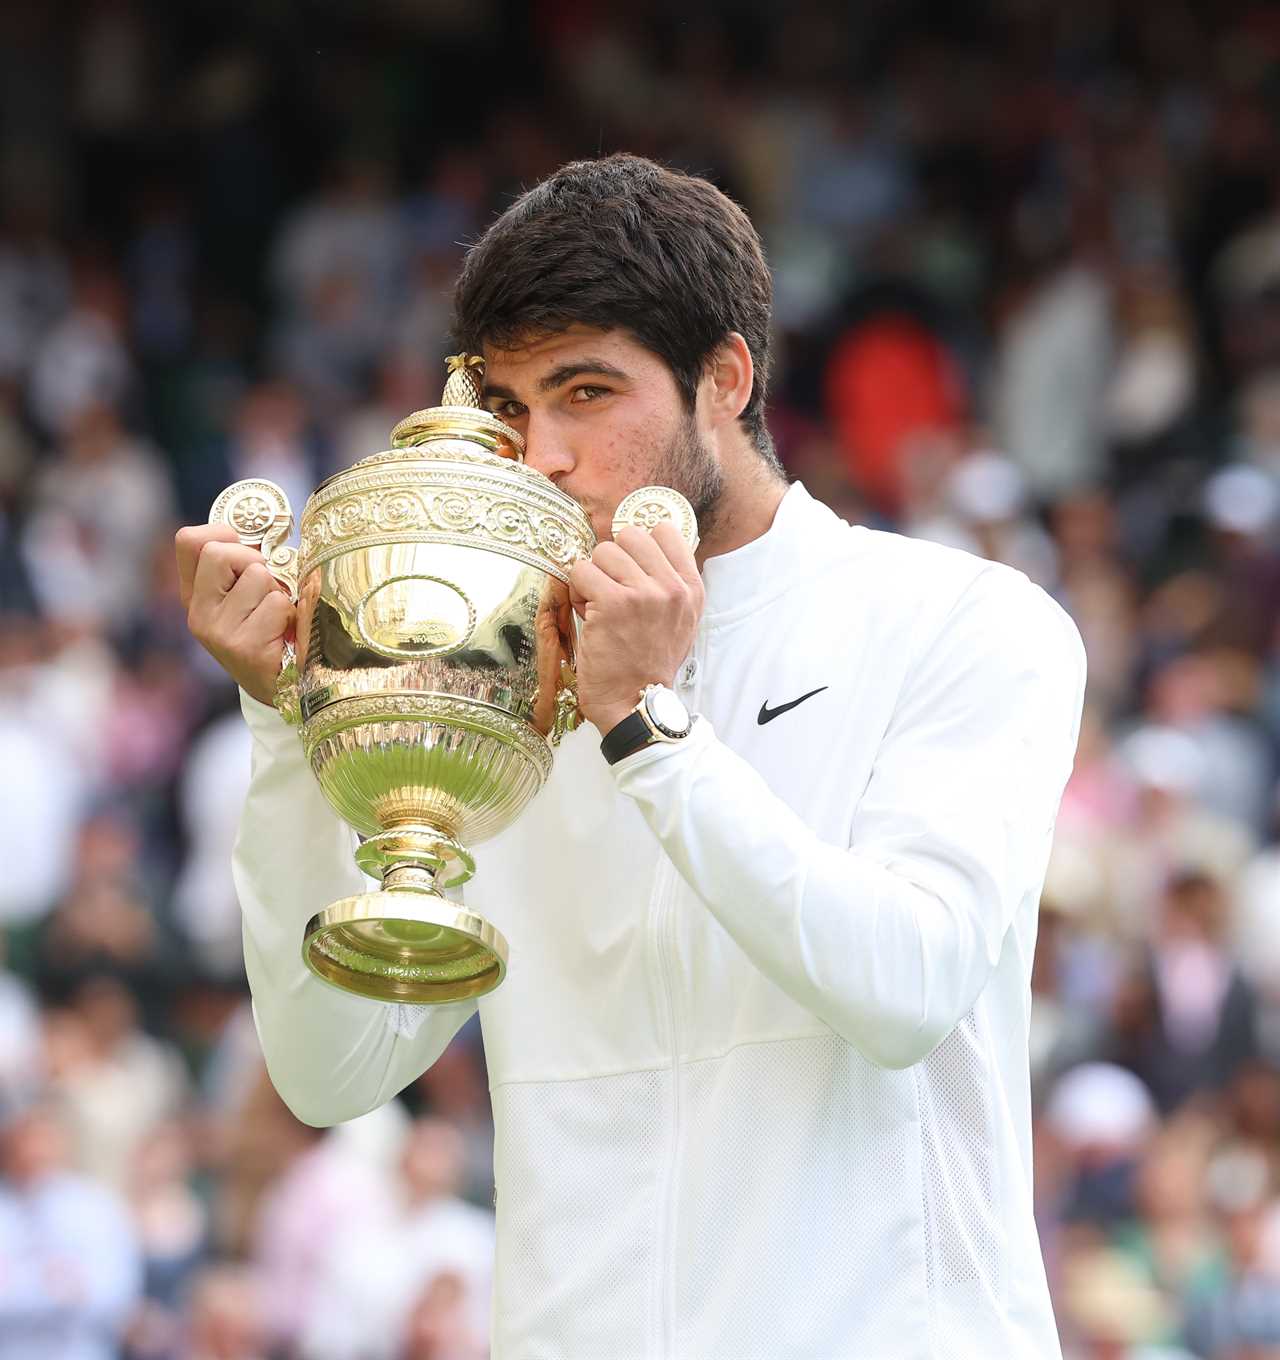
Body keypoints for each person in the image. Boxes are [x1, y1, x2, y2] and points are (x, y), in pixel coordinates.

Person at [176, 154, 1087, 1359]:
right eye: (506, 407)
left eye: (586, 392)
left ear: (725, 380)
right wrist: (290, 724)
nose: (539, 454)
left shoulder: (963, 619)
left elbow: (906, 986)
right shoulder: (497, 676)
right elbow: (328, 1069)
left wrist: (644, 730)